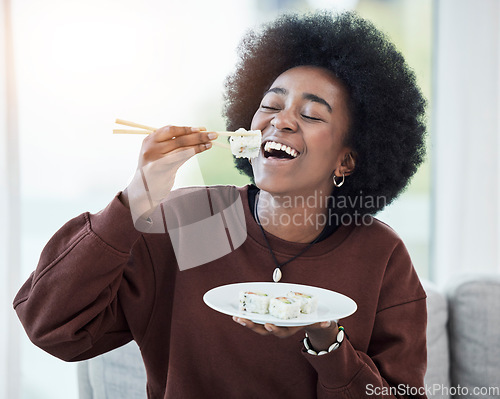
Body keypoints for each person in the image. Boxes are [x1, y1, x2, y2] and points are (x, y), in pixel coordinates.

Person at [14, 11, 428, 399]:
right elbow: (49, 325)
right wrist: (136, 197)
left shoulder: (381, 256)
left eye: (312, 115)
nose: (280, 120)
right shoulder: (187, 221)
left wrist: (327, 342)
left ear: (346, 160)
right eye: (270, 104)